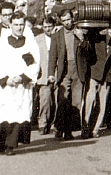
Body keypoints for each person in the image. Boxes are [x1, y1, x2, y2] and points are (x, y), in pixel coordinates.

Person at [0, 11, 41, 155]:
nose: (19, 28)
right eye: (16, 25)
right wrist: (5, 79)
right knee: (2, 114)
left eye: (21, 25)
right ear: (10, 25)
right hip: (5, 86)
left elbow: (35, 64)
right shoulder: (0, 43)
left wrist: (22, 77)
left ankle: (10, 145)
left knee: (17, 115)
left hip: (20, 86)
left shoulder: (30, 44)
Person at [51, 8, 83, 141]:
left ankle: (69, 130)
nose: (67, 23)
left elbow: (87, 50)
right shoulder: (57, 35)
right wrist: (51, 73)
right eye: (63, 21)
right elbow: (52, 56)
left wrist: (81, 39)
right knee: (63, 100)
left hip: (77, 69)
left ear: (73, 19)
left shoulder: (79, 31)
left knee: (75, 102)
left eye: (68, 20)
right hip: (64, 70)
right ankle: (60, 127)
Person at [35, 15, 57, 135]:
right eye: (45, 27)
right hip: (43, 75)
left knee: (58, 100)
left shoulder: (58, 37)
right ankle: (43, 123)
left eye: (50, 26)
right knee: (45, 100)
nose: (48, 29)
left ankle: (55, 125)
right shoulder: (37, 39)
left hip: (57, 73)